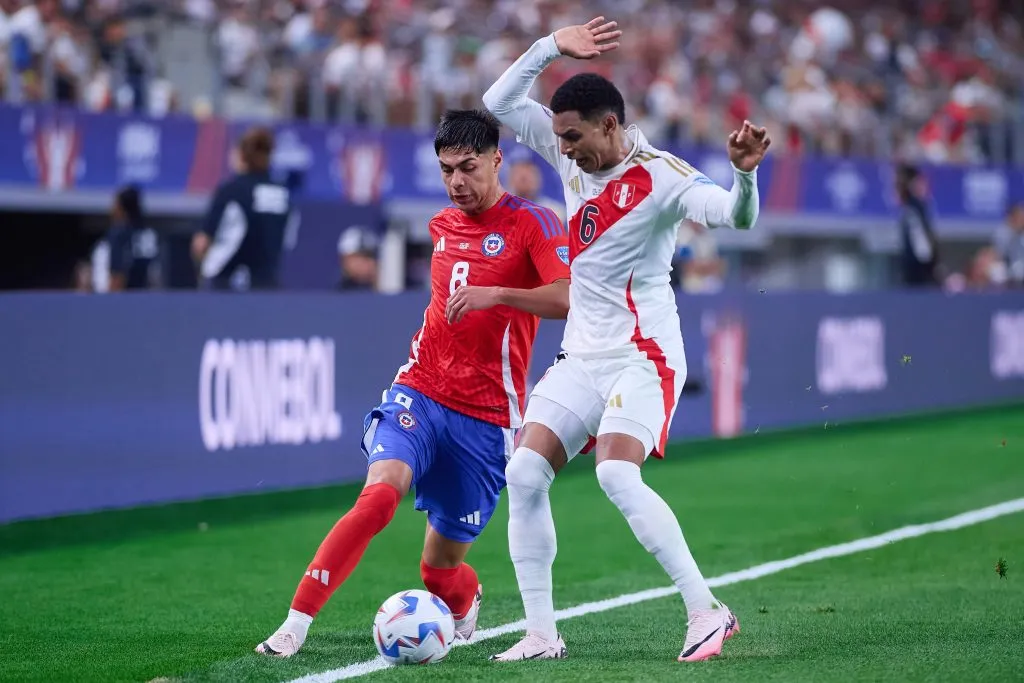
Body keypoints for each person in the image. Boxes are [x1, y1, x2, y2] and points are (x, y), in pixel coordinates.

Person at [482, 17, 770, 663]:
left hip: (645, 357)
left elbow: (736, 218)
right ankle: (541, 632)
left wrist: (744, 175)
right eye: (559, 138)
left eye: (575, 137)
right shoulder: (566, 147)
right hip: (582, 354)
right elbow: (498, 103)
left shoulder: (663, 177)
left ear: (609, 125)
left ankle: (707, 610)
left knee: (615, 470)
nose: (565, 150)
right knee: (524, 472)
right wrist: (551, 47)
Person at [255, 109, 571, 658]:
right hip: (420, 392)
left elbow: (567, 297)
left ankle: (464, 599)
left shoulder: (535, 224)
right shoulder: (442, 224)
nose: (457, 183)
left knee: (439, 570)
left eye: (468, 168)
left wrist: (497, 296)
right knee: (379, 497)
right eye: (447, 170)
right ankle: (294, 625)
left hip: (487, 419)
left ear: (497, 159)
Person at [191, 127, 296, 291]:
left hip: (225, 284)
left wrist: (202, 265)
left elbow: (202, 243)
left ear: (240, 155)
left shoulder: (232, 190)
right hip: (267, 286)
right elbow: (287, 241)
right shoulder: (284, 194)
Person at [90, 184, 160, 292]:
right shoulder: (149, 233)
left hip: (125, 301)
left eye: (115, 204)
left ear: (122, 209)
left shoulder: (119, 234)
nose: (111, 209)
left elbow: (118, 275)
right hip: (147, 298)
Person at [894, 163, 941, 288]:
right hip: (916, 268)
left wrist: (930, 265)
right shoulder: (910, 208)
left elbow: (923, 245)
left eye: (899, 183)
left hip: (918, 270)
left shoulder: (915, 208)